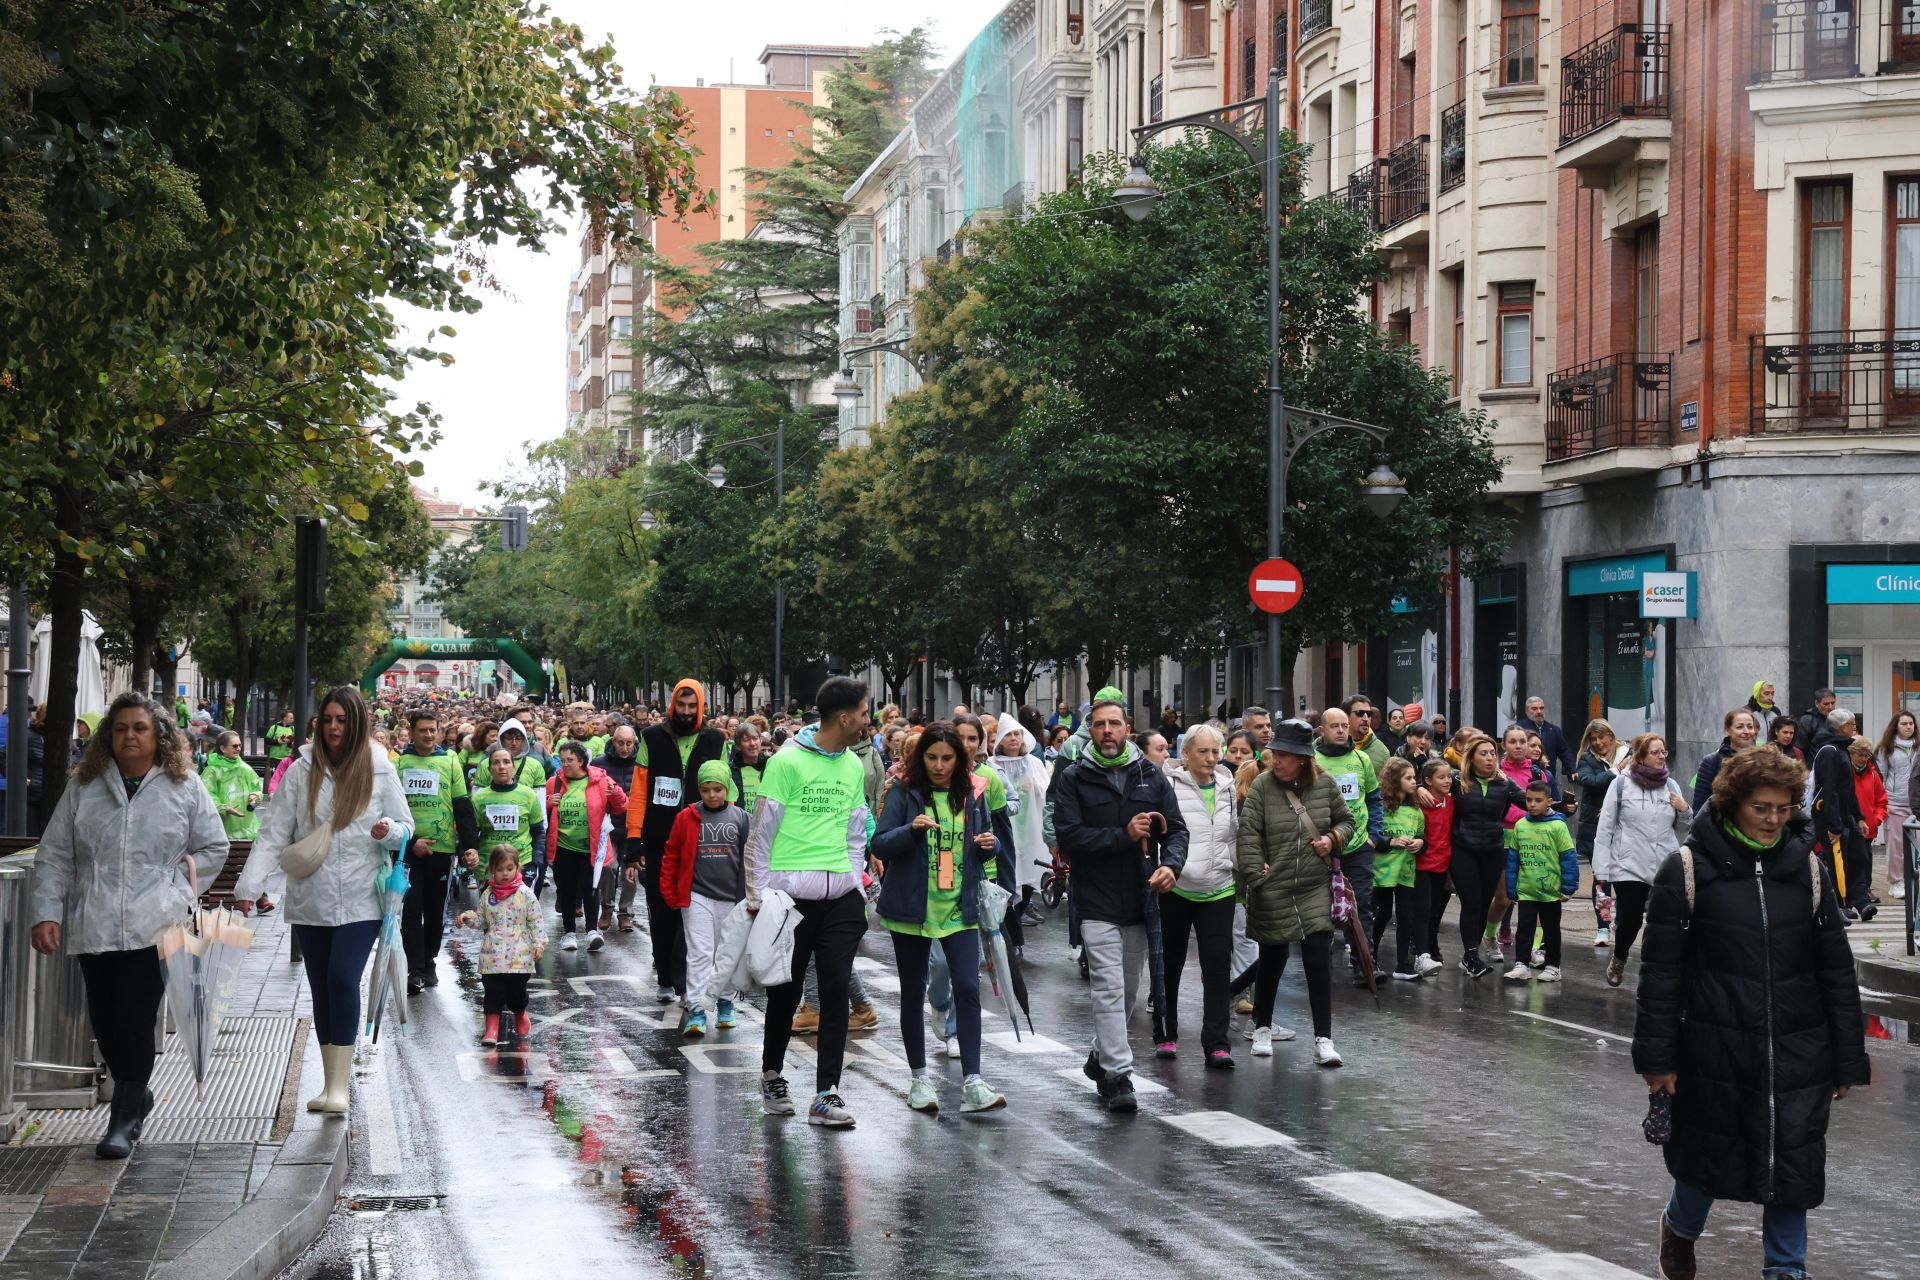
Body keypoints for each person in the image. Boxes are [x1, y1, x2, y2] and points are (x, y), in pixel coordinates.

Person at [1633, 746, 1868, 1280]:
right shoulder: (1688, 869)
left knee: (1794, 1159)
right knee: (1707, 1154)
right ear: (1734, 802)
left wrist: (1847, 1057)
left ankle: (1785, 1270)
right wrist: (1658, 1060)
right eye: (1762, 808)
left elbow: (1835, 967)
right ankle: (1681, 1226)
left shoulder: (1805, 870)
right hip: (1714, 1047)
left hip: (1798, 1046)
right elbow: (1661, 976)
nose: (1773, 819)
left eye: (1783, 809)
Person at [30, 693, 228, 1159]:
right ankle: (135, 1092)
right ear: (108, 737)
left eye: (139, 728)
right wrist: (46, 912)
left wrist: (175, 887)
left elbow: (213, 846)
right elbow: (56, 853)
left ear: (157, 734)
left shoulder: (185, 786)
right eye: (120, 729)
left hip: (156, 923)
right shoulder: (84, 784)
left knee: (135, 1017)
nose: (130, 737)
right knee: (106, 1020)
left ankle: (122, 1120)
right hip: (94, 920)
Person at [233, 687, 414, 1117]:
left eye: (342, 720)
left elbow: (407, 827)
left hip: (360, 897)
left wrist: (387, 830)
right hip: (311, 896)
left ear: (357, 724)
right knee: (320, 987)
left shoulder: (380, 769)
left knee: (341, 977)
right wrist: (248, 887)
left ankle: (339, 1087)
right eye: (327, 719)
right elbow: (275, 832)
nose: (333, 728)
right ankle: (330, 1082)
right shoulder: (301, 771)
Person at [1051, 697, 1189, 1111]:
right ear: (1088, 731)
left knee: (1127, 991)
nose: (1107, 731)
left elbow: (1177, 830)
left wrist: (1172, 867)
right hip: (1095, 899)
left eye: (1115, 724)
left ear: (1128, 730)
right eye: (1099, 725)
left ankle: (1099, 1056)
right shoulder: (1074, 778)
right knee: (1108, 989)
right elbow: (1070, 838)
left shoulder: (1151, 776)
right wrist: (1123, 836)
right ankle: (1119, 1077)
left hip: (1141, 898)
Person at [748, 677, 874, 1129]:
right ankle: (773, 1074)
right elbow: (761, 834)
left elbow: (856, 831)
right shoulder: (785, 762)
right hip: (789, 901)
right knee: (785, 992)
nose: (867, 720)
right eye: (864, 712)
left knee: (836, 991)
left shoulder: (854, 767)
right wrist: (760, 898)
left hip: (840, 899)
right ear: (844, 717)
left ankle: (827, 1093)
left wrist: (855, 882)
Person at [872, 723, 1006, 1115]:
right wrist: (910, 832)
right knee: (913, 992)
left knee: (967, 986)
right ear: (920, 757)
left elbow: (986, 844)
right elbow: (879, 843)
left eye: (948, 758)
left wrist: (989, 845)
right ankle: (919, 1079)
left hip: (959, 908)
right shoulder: (903, 792)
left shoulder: (973, 794)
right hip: (911, 909)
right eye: (932, 758)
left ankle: (974, 1082)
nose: (940, 766)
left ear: (960, 759)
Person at [1236, 719, 1351, 1066]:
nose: (1278, 760)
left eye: (1286, 755)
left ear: (1303, 758)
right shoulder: (1261, 786)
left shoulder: (1326, 785)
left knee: (1318, 958)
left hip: (1314, 886)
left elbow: (1347, 822)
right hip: (1274, 887)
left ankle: (1324, 1040)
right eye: (1276, 753)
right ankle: (1262, 1028)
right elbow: (1249, 834)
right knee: (1272, 959)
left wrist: (1332, 839)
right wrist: (1257, 876)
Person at [627, 680, 730, 1003]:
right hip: (660, 840)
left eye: (692, 707)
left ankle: (685, 982)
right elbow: (639, 792)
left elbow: (727, 787)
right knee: (662, 910)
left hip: (703, 840)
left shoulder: (716, 739)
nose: (686, 713)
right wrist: (634, 839)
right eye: (681, 706)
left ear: (701, 707)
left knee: (693, 911)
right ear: (672, 706)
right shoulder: (651, 738)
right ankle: (666, 978)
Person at [1159, 724, 1238, 1067]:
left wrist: (1241, 866)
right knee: (1170, 964)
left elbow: (1232, 835)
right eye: (1202, 751)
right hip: (1176, 886)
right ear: (1186, 754)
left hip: (1219, 887)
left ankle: (1217, 1043)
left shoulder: (1228, 786)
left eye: (1215, 751)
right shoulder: (1168, 785)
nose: (1210, 758)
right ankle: (1165, 1035)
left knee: (1218, 966)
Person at [657, 760, 748, 1039]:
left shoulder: (742, 818)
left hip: (732, 898)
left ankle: (725, 1002)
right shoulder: (686, 817)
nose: (712, 795)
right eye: (706, 789)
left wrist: (753, 895)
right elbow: (671, 855)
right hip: (696, 896)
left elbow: (754, 857)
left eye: (718, 789)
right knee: (699, 953)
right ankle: (696, 1008)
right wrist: (670, 892)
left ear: (727, 788)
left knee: (727, 953)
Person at [1593, 732, 1690, 988]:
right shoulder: (1621, 785)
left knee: (1665, 920)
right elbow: (1605, 829)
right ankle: (1620, 958)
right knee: (1632, 919)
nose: (1661, 757)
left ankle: (1658, 967)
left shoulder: (1671, 785)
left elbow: (1690, 825)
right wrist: (1601, 871)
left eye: (1664, 752)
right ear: (1641, 756)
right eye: (1655, 752)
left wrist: (1685, 809)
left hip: (1664, 862)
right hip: (1628, 863)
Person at [394, 711, 478, 993]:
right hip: (408, 849)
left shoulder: (450, 760)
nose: (428, 735)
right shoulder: (400, 763)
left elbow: (462, 804)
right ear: (412, 732)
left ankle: (429, 959)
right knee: (411, 909)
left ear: (439, 732)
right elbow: (391, 809)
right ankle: (414, 968)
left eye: (433, 730)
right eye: (423, 731)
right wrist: (412, 839)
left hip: (442, 850)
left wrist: (470, 846)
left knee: (434, 912)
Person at [1444, 732, 1525, 977]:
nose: (1490, 758)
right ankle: (1471, 954)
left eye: (1493, 753)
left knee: (1483, 905)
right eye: (1484, 753)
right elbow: (1433, 791)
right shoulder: (1458, 781)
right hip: (1462, 848)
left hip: (1492, 849)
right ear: (1471, 757)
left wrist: (1560, 807)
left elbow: (1530, 801)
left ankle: (1471, 954)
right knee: (1471, 901)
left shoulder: (1504, 783)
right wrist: (1420, 792)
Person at [1313, 707, 1383, 982]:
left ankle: (1365, 964)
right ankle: (1320, 965)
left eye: (1345, 725)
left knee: (1362, 906)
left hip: (1358, 846)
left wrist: (1374, 834)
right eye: (1335, 726)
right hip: (1321, 847)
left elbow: (1374, 798)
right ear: (1322, 731)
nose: (1342, 730)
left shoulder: (1362, 758)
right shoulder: (1312, 760)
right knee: (1321, 907)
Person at [455, 845, 544, 1046]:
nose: (505, 874)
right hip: (492, 955)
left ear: (517, 868)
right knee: (492, 993)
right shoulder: (488, 894)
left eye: (509, 868)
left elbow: (536, 921)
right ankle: (491, 1030)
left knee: (515, 994)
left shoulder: (525, 894)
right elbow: (481, 920)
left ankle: (520, 1012)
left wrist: (539, 943)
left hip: (518, 957)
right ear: (492, 870)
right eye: (500, 869)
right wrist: (467, 918)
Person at [545, 741, 629, 953]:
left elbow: (621, 806)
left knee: (591, 888)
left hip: (591, 847)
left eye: (570, 760)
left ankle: (592, 931)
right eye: (562, 760)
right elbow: (542, 811)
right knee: (566, 891)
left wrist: (615, 792)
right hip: (563, 846)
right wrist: (549, 802)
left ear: (581, 761)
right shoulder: (554, 782)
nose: (565, 764)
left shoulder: (600, 780)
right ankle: (569, 933)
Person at [1501, 781, 1578, 982]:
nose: (1532, 804)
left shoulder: (1558, 826)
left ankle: (1553, 966)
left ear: (1549, 802)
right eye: (1528, 800)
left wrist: (1568, 887)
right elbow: (1513, 860)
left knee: (1551, 929)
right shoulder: (1521, 826)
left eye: (1538, 800)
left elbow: (1568, 857)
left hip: (1551, 890)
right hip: (1527, 889)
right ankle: (1522, 964)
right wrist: (1512, 889)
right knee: (1524, 928)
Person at [1808, 707, 1874, 920]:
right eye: (1852, 724)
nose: (1855, 727)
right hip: (1831, 820)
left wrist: (1860, 817)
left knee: (1859, 857)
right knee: (1839, 863)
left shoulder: (1843, 750)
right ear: (1841, 727)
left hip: (1847, 818)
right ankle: (1840, 905)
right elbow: (1829, 790)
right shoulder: (1830, 751)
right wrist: (1834, 826)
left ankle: (1860, 900)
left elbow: (1848, 790)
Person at [989, 719, 1052, 927]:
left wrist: (1033, 785)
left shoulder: (1032, 763)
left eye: (1017, 733)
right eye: (1008, 734)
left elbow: (1047, 791)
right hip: (1006, 828)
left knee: (1030, 874)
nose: (1014, 738)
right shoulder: (993, 764)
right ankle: (1010, 927)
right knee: (1009, 874)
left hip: (1029, 828)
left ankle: (1017, 918)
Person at [1371, 757, 1429, 981]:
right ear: (1395, 781)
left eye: (1414, 777)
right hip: (1382, 871)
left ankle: (1402, 964)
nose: (1414, 782)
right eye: (1408, 778)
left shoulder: (1416, 810)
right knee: (1382, 914)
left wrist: (1420, 843)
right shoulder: (1380, 807)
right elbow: (1373, 836)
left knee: (1406, 914)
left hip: (1406, 871)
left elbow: (1422, 835)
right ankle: (1369, 957)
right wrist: (1390, 842)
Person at [1572, 719, 1627, 947]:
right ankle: (1603, 927)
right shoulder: (1586, 759)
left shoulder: (1628, 753)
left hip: (1624, 824)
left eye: (1601, 737)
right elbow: (1592, 782)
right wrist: (1616, 771)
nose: (1597, 742)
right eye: (1593, 739)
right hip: (1597, 827)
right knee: (1601, 879)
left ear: (1611, 736)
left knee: (1625, 880)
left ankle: (1622, 924)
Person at [466, 746, 545, 892]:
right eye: (496, 763)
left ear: (513, 767)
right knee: (491, 913)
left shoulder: (528, 795)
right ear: (489, 769)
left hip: (522, 864)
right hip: (489, 867)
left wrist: (536, 861)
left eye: (506, 762)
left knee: (521, 913)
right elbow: (471, 833)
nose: (501, 767)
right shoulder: (479, 798)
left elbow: (538, 831)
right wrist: (470, 854)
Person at [594, 725, 642, 932]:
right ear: (613, 742)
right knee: (608, 867)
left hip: (634, 826)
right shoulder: (599, 764)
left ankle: (625, 913)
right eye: (620, 743)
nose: (624, 748)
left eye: (629, 743)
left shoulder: (642, 764)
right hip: (609, 826)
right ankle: (606, 908)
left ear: (635, 743)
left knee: (631, 871)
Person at [1413, 757, 1455, 970]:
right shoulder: (1420, 802)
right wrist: (1417, 789)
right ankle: (1422, 953)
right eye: (1442, 777)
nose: (1448, 780)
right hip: (1422, 864)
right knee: (1423, 909)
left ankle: (1431, 945)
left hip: (1442, 863)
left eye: (1449, 776)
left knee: (1436, 910)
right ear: (1428, 780)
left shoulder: (1451, 800)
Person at [1875, 711, 1916, 899]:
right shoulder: (1886, 748)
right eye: (1904, 724)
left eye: (1911, 723)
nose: (1909, 727)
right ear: (1896, 727)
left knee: (1916, 846)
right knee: (1896, 846)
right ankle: (1896, 882)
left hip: (1916, 804)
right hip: (1895, 803)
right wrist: (1882, 802)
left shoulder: (1918, 747)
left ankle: (1913, 879)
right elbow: (1879, 776)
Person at [201, 729, 264, 843]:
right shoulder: (211, 771)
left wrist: (255, 796)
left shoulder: (246, 769)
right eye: (234, 746)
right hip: (221, 832)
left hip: (248, 831)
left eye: (240, 745)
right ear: (222, 748)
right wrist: (223, 808)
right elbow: (207, 796)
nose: (238, 749)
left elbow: (257, 790)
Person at [1691, 709, 1760, 813]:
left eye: (1750, 727)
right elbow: (1699, 809)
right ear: (1728, 730)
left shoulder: (1763, 761)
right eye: (1740, 727)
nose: (1746, 731)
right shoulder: (1712, 762)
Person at [1850, 737, 1888, 896]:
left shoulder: (1873, 775)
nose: (1863, 759)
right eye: (1860, 755)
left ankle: (1866, 890)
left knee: (1866, 859)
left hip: (1868, 827)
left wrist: (1877, 819)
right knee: (1852, 860)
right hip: (1850, 825)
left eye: (1867, 755)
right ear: (1851, 753)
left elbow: (1882, 800)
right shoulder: (1845, 772)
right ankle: (1851, 892)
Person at [1344, 695, 1391, 772]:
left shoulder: (1382, 751)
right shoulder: (1326, 744)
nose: (1366, 718)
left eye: (1369, 714)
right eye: (1360, 713)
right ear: (1346, 716)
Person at [1798, 688, 1838, 752]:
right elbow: (1800, 747)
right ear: (1817, 703)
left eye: (1832, 703)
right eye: (1826, 704)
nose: (1830, 707)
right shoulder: (1807, 720)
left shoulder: (1836, 719)